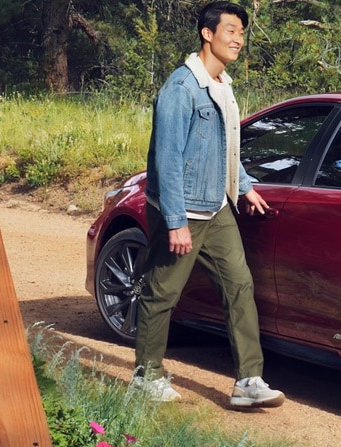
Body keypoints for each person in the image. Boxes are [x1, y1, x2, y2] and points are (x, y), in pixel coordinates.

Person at [133, 1, 284, 408]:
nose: (238, 39)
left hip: (216, 207)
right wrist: (176, 220)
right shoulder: (181, 88)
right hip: (181, 210)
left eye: (241, 33)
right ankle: (146, 376)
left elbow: (224, 148)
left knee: (239, 286)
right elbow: (167, 159)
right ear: (207, 33)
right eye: (230, 31)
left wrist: (245, 187)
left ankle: (248, 380)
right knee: (161, 292)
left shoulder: (223, 86)